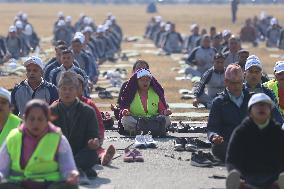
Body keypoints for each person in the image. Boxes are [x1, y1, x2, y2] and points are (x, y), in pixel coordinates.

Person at [0, 99, 79, 189]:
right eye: (31, 119)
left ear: (48, 119)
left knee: (70, 186)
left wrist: (71, 175)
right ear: (25, 118)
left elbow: (68, 167)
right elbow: (2, 168)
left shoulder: (58, 138)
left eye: (40, 119)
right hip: (19, 184)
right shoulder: (13, 137)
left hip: (49, 184)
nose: (35, 123)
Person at [226, 93, 284, 189]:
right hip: (247, 176)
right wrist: (234, 171)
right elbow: (232, 159)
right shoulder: (241, 131)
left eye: (265, 105)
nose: (262, 108)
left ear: (270, 111)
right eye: (257, 105)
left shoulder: (278, 132)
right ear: (250, 111)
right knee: (241, 184)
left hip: (273, 177)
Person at [50, 71, 99, 182]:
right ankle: (78, 170)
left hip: (80, 153)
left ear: (77, 91)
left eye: (71, 89)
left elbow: (94, 135)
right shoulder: (51, 111)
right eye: (64, 88)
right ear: (58, 90)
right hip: (59, 153)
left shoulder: (88, 111)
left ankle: (68, 170)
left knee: (91, 155)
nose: (67, 92)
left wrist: (94, 142)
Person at [207, 64, 251, 162]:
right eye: (233, 83)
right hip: (228, 142)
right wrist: (214, 136)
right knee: (218, 148)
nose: (236, 86)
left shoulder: (251, 99)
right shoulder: (218, 102)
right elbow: (212, 127)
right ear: (226, 82)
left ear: (243, 81)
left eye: (239, 82)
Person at [76, 74, 116, 166]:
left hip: (90, 138)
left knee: (92, 148)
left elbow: (99, 124)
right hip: (67, 139)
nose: (71, 91)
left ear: (82, 89)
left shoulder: (89, 104)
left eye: (77, 87)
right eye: (69, 87)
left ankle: (103, 156)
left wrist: (98, 138)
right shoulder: (58, 105)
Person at [119, 69, 172, 135]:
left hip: (154, 120)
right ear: (137, 81)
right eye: (142, 80)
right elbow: (125, 108)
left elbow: (162, 110)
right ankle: (152, 131)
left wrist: (165, 112)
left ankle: (142, 131)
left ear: (150, 81)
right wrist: (125, 111)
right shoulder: (131, 93)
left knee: (167, 118)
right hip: (137, 120)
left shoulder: (155, 92)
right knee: (125, 119)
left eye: (147, 80)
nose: (145, 82)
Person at [243, 57, 283, 124]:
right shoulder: (238, 91)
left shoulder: (268, 93)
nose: (254, 75)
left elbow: (277, 118)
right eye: (251, 71)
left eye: (257, 72)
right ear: (244, 74)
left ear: (261, 74)